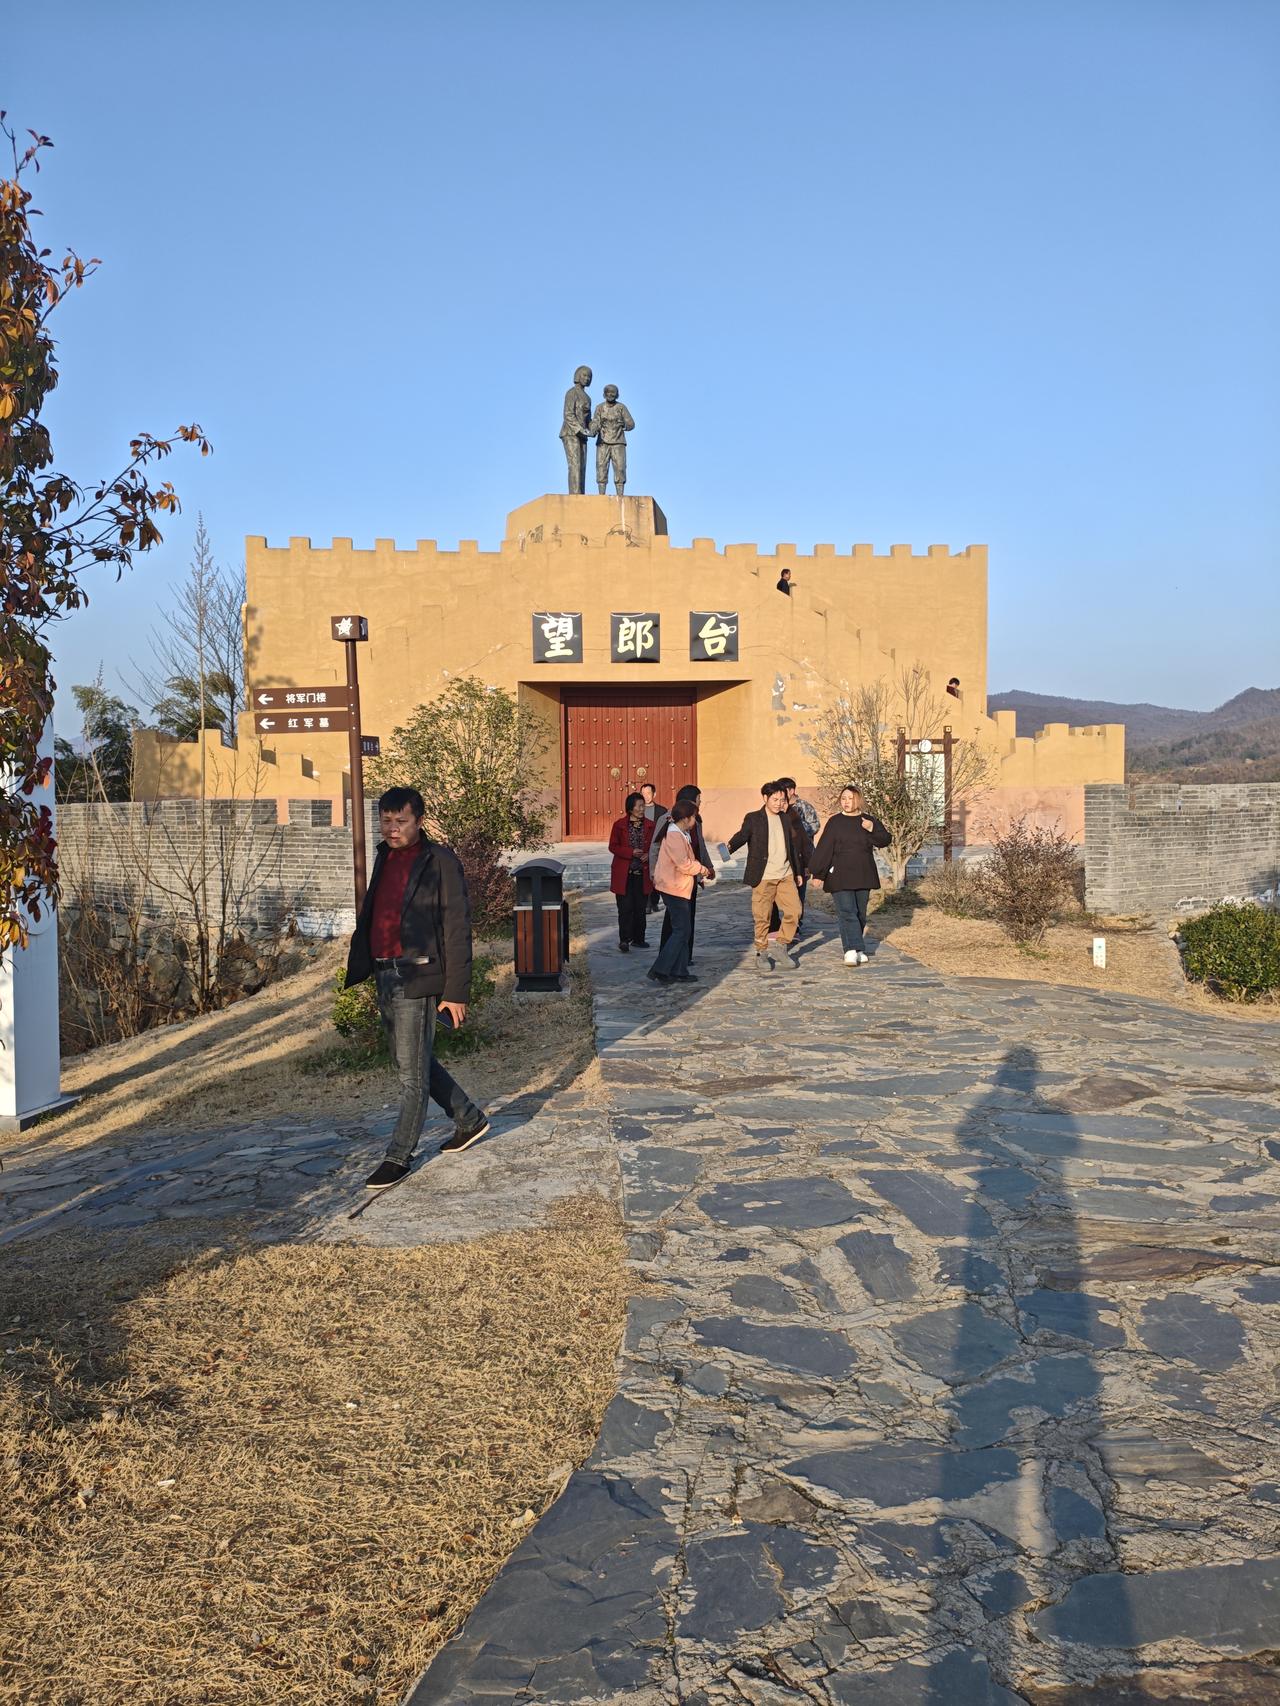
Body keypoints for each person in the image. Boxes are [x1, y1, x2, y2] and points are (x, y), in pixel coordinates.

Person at [346, 786, 488, 1188]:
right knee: (411, 1061)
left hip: (418, 975)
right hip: (384, 974)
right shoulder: (384, 855)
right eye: (386, 821)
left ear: (420, 821)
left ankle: (398, 1156)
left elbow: (457, 929)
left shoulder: (439, 861)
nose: (392, 829)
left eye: (401, 821)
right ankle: (469, 1119)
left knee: (411, 1075)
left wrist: (456, 992)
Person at [727, 781, 807, 972]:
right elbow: (742, 835)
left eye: (782, 800)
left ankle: (781, 946)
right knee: (762, 916)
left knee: (795, 911)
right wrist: (727, 849)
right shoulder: (754, 818)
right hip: (763, 876)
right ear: (765, 798)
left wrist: (798, 871)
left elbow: (792, 847)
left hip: (785, 874)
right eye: (775, 799)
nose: (779, 803)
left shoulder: (785, 819)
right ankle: (761, 952)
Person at [808, 784, 892, 965]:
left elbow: (885, 840)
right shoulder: (835, 822)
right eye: (843, 798)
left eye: (850, 798)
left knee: (860, 913)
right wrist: (818, 873)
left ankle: (857, 949)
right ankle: (851, 950)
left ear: (858, 800)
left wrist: (872, 828)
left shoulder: (868, 820)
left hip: (863, 872)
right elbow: (825, 847)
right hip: (839, 873)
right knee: (847, 911)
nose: (846, 802)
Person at [647, 799, 711, 984]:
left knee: (684, 930)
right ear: (685, 818)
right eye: (694, 817)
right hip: (673, 887)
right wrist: (702, 869)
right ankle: (661, 969)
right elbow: (684, 864)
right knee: (681, 930)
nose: (695, 821)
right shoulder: (675, 835)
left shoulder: (681, 833)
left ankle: (679, 970)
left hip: (679, 887)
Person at [608, 791, 654, 951]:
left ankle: (639, 939)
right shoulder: (619, 825)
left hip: (642, 873)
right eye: (639, 806)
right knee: (625, 908)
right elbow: (613, 846)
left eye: (643, 806)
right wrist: (630, 852)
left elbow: (657, 846)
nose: (642, 809)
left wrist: (649, 854)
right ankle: (624, 940)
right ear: (630, 808)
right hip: (624, 875)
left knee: (640, 909)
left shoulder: (651, 825)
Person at [776, 776, 817, 935]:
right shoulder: (776, 806)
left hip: (801, 856)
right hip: (782, 857)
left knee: (799, 892)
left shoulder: (804, 807)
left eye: (783, 790)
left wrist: (795, 827)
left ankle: (796, 924)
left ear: (791, 790)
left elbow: (815, 826)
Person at [589, 384, 635, 495]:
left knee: (620, 468)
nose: (610, 394)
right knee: (601, 467)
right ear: (604, 394)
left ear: (617, 395)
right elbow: (595, 422)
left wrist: (624, 425)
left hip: (618, 443)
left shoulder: (621, 407)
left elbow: (631, 423)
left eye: (613, 392)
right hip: (603, 442)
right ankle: (601, 495)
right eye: (608, 392)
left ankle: (620, 495)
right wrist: (594, 429)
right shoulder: (599, 408)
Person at [559, 365, 593, 495]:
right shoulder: (571, 393)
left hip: (583, 436)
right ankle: (575, 495)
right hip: (570, 433)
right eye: (584, 375)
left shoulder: (588, 398)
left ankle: (580, 495)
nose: (587, 378)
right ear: (578, 376)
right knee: (575, 464)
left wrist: (595, 427)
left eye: (589, 377)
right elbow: (568, 414)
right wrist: (579, 429)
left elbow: (588, 420)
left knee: (582, 466)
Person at [640, 782, 667, 913]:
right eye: (643, 793)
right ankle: (647, 904)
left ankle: (655, 902)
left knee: (656, 876)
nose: (646, 796)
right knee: (645, 878)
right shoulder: (637, 810)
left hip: (657, 848)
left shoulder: (662, 811)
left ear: (654, 794)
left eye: (648, 793)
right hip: (642, 849)